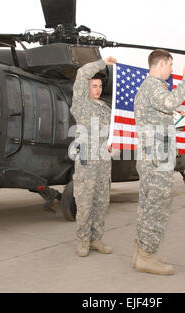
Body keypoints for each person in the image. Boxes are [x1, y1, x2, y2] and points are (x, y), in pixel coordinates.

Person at [133, 49, 185, 275]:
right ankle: (146, 256)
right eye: (170, 65)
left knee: (148, 206)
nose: (172, 69)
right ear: (161, 64)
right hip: (156, 159)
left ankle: (142, 252)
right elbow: (171, 102)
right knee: (157, 206)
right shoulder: (153, 87)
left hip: (155, 156)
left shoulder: (151, 88)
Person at [71, 56, 117, 257]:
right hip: (87, 163)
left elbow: (113, 134)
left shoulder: (106, 109)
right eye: (93, 86)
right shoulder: (81, 104)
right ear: (86, 88)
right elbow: (82, 74)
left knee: (101, 202)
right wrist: (102, 63)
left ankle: (96, 239)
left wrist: (113, 148)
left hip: (104, 164)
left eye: (99, 86)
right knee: (84, 202)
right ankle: (83, 241)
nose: (97, 90)